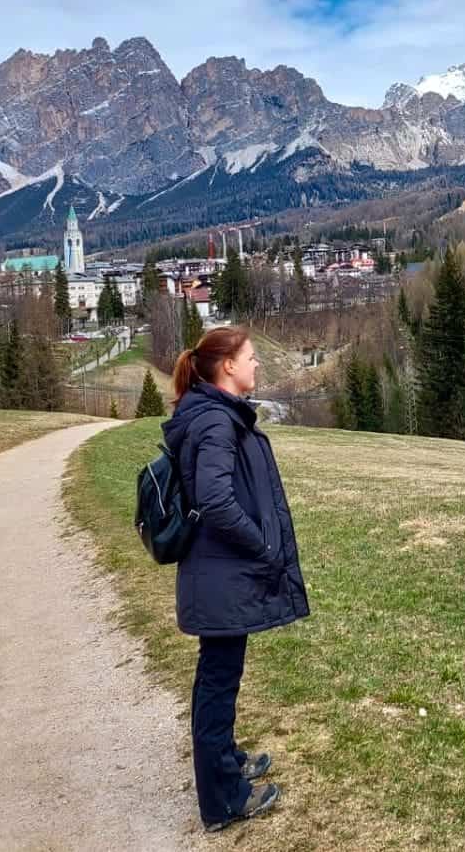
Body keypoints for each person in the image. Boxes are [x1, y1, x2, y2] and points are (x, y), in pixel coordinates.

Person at [162, 326, 310, 833]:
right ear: (227, 366)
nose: (257, 364)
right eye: (250, 358)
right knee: (219, 683)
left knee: (218, 675)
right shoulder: (216, 424)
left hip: (217, 575)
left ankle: (226, 762)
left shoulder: (209, 415)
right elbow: (215, 501)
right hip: (222, 575)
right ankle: (223, 800)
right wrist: (261, 545)